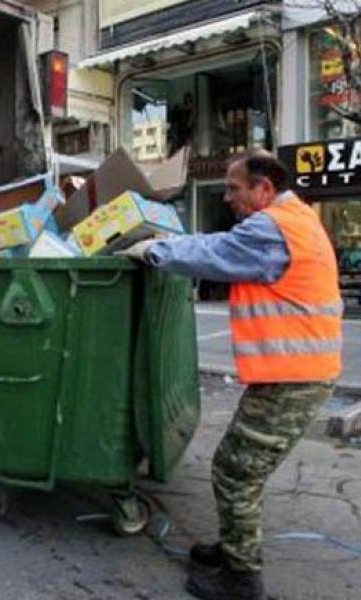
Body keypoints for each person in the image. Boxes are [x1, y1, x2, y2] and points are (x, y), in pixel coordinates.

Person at [118, 153, 343, 600]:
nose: (227, 197)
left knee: (236, 473)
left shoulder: (272, 226)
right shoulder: (296, 218)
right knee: (237, 467)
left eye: (234, 188)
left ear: (262, 188)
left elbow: (215, 252)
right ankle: (235, 547)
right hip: (295, 375)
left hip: (295, 379)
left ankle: (242, 579)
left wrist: (155, 249)